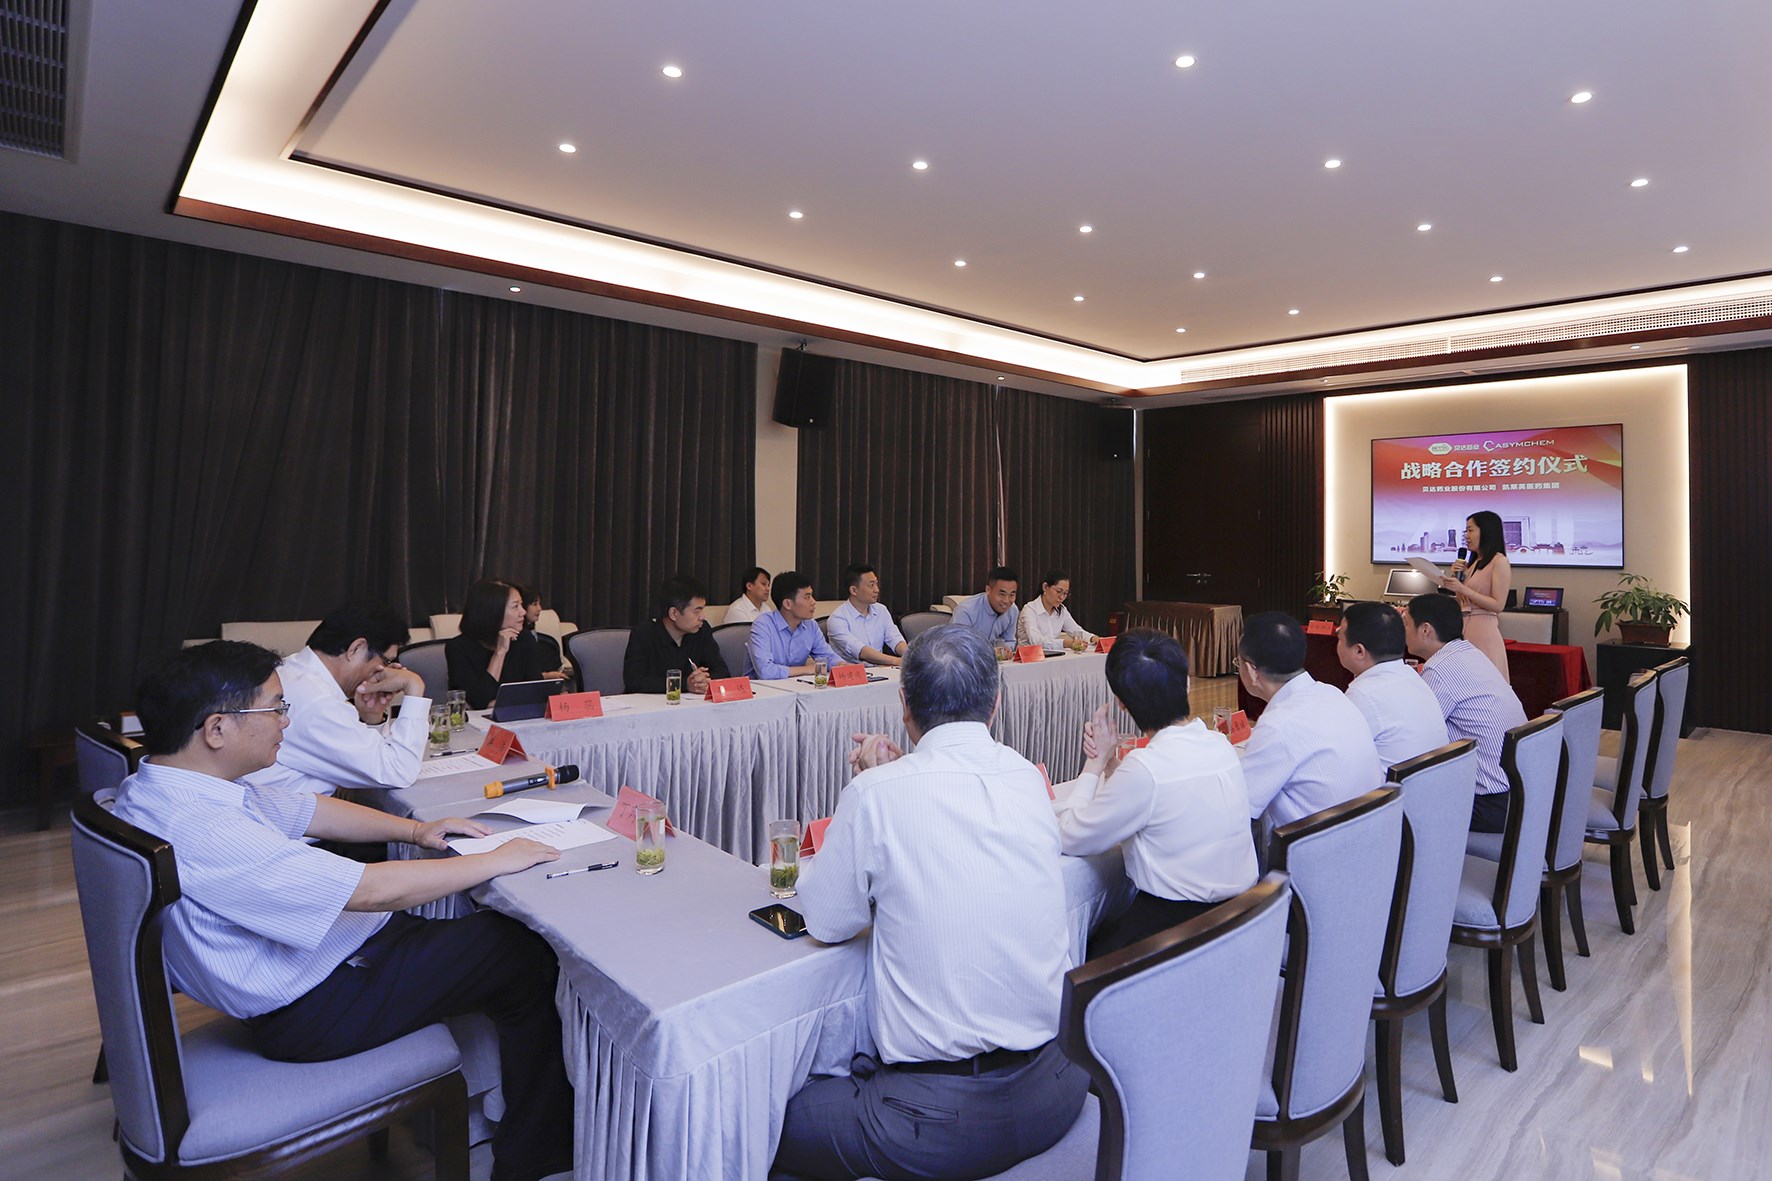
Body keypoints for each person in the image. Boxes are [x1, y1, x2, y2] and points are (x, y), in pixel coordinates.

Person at [111, 641, 573, 1181]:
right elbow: (370, 892)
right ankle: (532, 1156)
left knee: (479, 936)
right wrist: (495, 859)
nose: (286, 720)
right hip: (317, 1007)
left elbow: (305, 809)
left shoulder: (163, 786)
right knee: (526, 950)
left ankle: (490, 1107)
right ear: (217, 729)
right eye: (276, 707)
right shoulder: (204, 828)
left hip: (327, 963)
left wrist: (418, 831)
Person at [774, 628, 1088, 1180]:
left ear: (903, 704)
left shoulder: (876, 794)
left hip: (939, 1118)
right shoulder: (1024, 776)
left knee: (767, 1119)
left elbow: (824, 921)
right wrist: (886, 785)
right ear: (995, 703)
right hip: (1057, 1084)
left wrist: (874, 787)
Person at [1052, 629, 1256, 958]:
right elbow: (1153, 796)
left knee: (1079, 954)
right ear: (1187, 684)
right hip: (1241, 921)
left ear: (1121, 703)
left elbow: (1070, 837)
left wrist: (1094, 764)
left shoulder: (1145, 769)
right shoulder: (1218, 744)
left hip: (1177, 936)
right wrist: (1112, 765)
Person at [242, 601, 429, 799]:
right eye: (386, 661)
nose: (387, 670)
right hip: (278, 815)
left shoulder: (295, 670)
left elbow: (367, 768)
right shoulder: (317, 701)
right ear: (356, 648)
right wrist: (414, 687)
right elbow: (398, 772)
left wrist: (371, 717)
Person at [1235, 611, 1384, 829]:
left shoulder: (1278, 725)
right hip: (1370, 834)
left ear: (1251, 670)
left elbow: (1238, 807)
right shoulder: (1333, 694)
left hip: (1322, 844)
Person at [1403, 593, 1527, 833]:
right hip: (1520, 790)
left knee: (1398, 802)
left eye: (1406, 623)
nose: (1403, 631)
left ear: (1425, 630)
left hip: (1492, 803)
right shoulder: (1469, 653)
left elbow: (1415, 735)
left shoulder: (1439, 669)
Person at [1336, 600, 1450, 768]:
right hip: (1430, 781)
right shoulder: (1413, 678)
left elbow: (1338, 759)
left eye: (1339, 637)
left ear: (1359, 651)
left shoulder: (1363, 695)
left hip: (1395, 785)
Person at [446, 579, 546, 709]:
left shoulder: (525, 639)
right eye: (515, 606)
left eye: (521, 605)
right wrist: (499, 653)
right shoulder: (458, 648)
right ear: (492, 612)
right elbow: (480, 701)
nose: (523, 612)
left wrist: (500, 702)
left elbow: (535, 691)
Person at [622, 573, 730, 694]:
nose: (702, 617)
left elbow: (722, 671)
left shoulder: (702, 630)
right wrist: (684, 684)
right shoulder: (643, 635)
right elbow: (634, 681)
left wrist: (704, 681)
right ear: (674, 613)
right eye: (697, 611)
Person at [1442, 510, 1513, 682]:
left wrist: (1464, 589)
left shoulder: (1499, 561)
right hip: (1464, 628)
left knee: (1485, 681)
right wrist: (1456, 579)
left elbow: (1498, 605)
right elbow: (1463, 599)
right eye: (1465, 531)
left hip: (1483, 631)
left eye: (1470, 530)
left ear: (1486, 531)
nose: (1466, 535)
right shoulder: (1474, 563)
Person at [749, 570, 843, 679]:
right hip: (761, 687)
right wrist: (808, 669)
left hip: (796, 685)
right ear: (788, 604)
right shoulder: (762, 625)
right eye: (807, 597)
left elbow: (827, 656)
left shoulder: (811, 626)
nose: (813, 602)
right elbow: (766, 671)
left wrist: (842, 665)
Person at [826, 562, 908, 666]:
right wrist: (896, 661)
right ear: (854, 590)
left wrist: (909, 656)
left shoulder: (881, 610)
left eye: (876, 584)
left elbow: (895, 638)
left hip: (881, 670)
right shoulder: (837, 619)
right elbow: (861, 651)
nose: (877, 590)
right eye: (871, 585)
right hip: (854, 672)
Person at [1017, 569, 1096, 650]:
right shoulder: (1030, 610)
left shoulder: (1062, 610)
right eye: (1059, 591)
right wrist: (1065, 643)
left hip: (1054, 655)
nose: (1062, 597)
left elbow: (1076, 631)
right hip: (1030, 656)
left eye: (1065, 593)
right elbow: (1036, 641)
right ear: (1045, 587)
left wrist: (1093, 639)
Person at [949, 565, 1020, 647]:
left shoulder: (1013, 610)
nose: (1006, 601)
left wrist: (1007, 648)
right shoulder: (966, 610)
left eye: (1011, 595)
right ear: (988, 590)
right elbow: (957, 645)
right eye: (1002, 594)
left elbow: (1010, 640)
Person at [514, 583, 567, 680]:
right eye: (534, 604)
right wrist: (546, 676)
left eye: (539, 603)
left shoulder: (547, 643)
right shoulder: (514, 640)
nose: (539, 609)